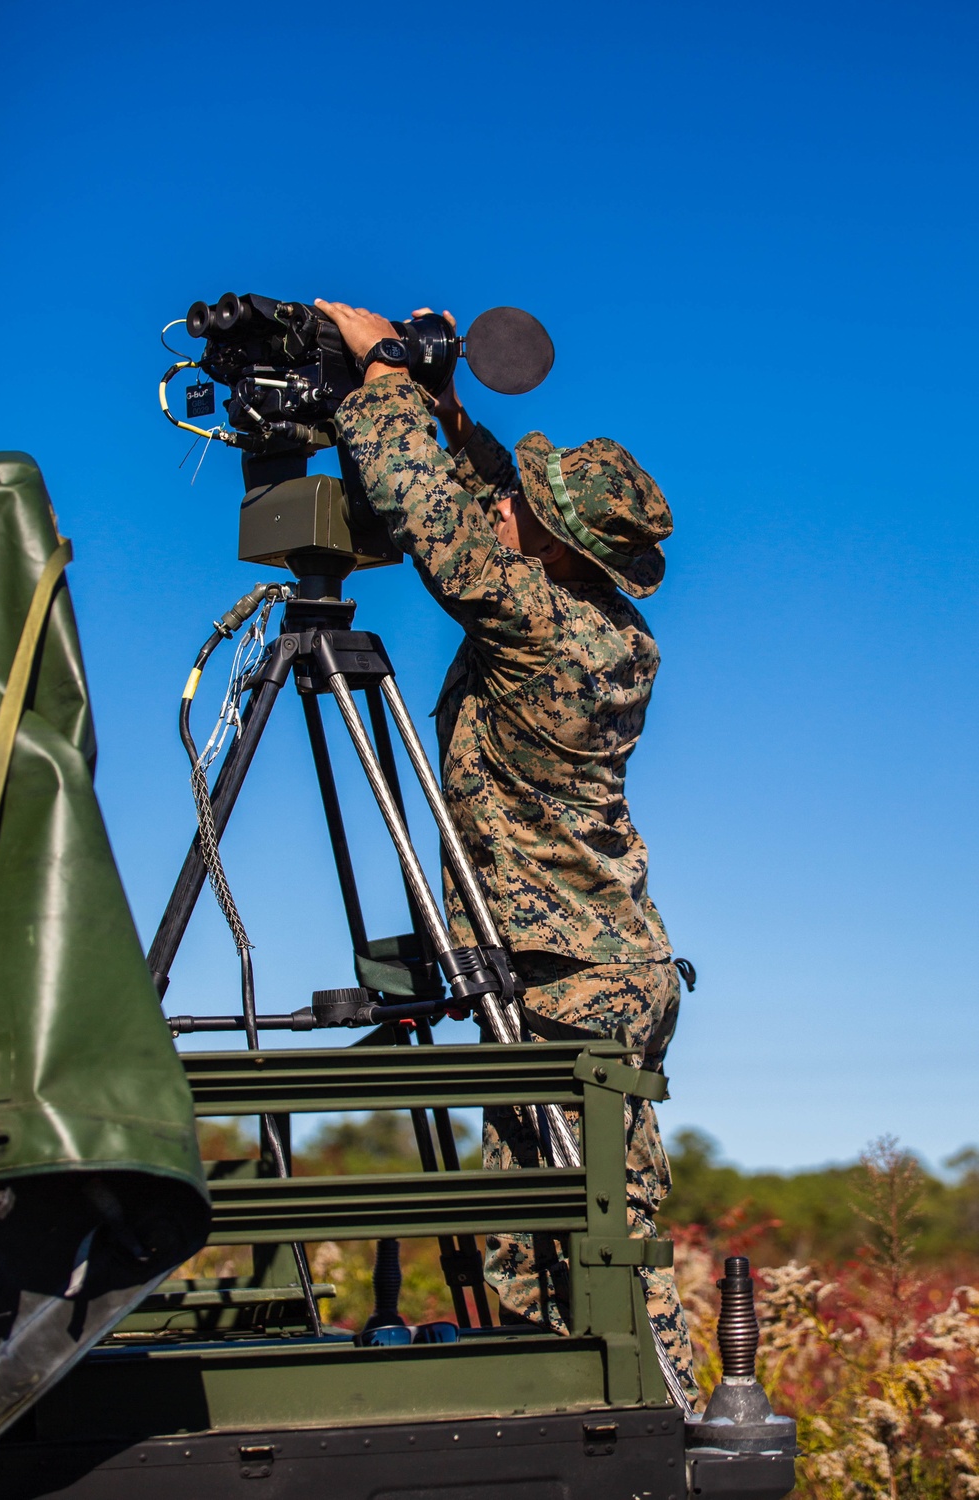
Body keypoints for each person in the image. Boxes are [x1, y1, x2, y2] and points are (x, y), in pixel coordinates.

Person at [317, 299, 697, 1400]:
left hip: (573, 990)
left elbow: (431, 513)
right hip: (576, 974)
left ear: (555, 543)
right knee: (534, 1255)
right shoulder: (609, 629)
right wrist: (449, 404)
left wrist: (384, 374)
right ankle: (570, 1421)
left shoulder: (532, 626)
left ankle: (672, 1436)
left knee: (606, 1258)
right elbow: (490, 502)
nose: (508, 509)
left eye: (527, 510)